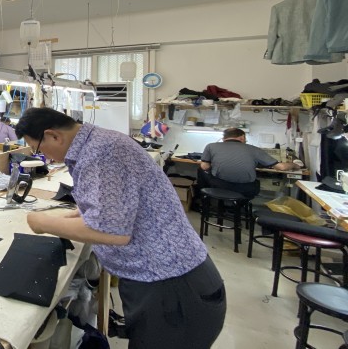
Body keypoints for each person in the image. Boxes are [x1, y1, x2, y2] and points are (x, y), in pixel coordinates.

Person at [15, 108, 225, 349]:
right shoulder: (98, 142)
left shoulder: (100, 154)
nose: (45, 157)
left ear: (53, 135)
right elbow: (116, 201)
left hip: (171, 288)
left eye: (38, 149)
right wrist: (86, 211)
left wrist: (42, 223)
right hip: (165, 281)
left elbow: (112, 233)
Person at [198, 127, 300, 199]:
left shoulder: (211, 146)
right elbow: (281, 167)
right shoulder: (254, 149)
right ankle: (239, 207)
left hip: (219, 185)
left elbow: (204, 166)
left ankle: (202, 200)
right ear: (242, 138)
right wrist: (295, 164)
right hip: (245, 189)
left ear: (224, 138)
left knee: (201, 170)